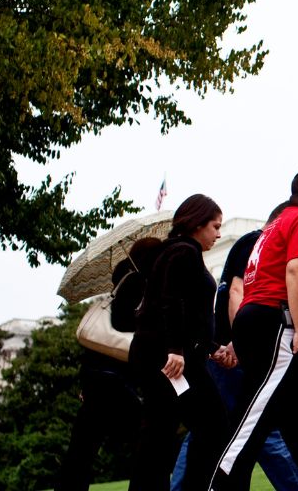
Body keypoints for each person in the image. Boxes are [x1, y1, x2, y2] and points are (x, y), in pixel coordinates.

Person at [209, 169, 298, 490]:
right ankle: (218, 484)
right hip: (281, 327)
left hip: (263, 322)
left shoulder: (276, 225)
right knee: (251, 419)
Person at [169, 203, 298, 491]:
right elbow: (237, 292)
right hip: (237, 353)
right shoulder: (258, 242)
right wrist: (241, 343)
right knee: (257, 428)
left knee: (223, 428)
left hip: (225, 350)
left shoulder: (251, 244)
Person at [128, 194, 231, 490]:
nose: (218, 234)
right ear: (197, 223)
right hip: (172, 359)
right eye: (215, 226)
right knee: (212, 426)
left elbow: (189, 314)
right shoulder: (184, 252)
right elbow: (170, 302)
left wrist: (211, 348)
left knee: (160, 432)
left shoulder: (175, 252)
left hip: (170, 355)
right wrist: (175, 350)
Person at [55, 237, 162, 491]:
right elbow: (123, 325)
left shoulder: (125, 280)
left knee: (84, 445)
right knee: (149, 435)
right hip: (112, 378)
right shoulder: (136, 281)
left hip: (97, 375)